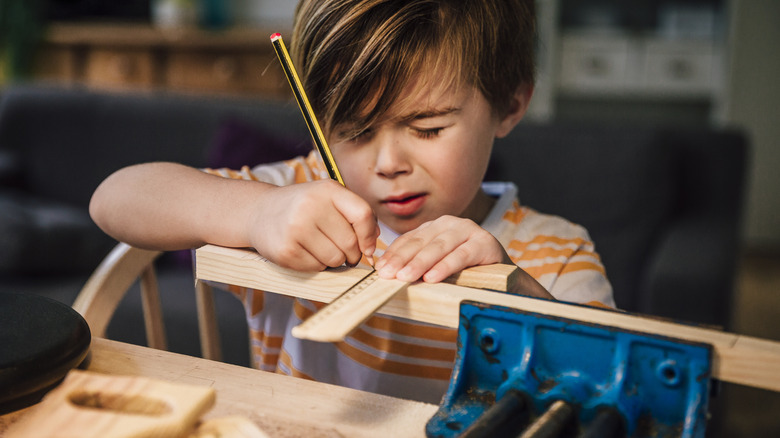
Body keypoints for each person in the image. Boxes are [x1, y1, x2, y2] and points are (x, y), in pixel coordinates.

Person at [90, 0, 614, 403]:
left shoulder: (558, 253)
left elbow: (611, 393)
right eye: (355, 131)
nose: (388, 162)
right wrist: (253, 214)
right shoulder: (297, 198)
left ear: (511, 103)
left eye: (427, 128)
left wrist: (513, 289)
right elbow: (113, 199)